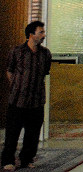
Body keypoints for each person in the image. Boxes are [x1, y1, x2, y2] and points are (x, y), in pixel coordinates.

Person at [1, 21, 52, 170]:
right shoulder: (17, 52)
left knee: (33, 133)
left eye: (43, 32)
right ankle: (7, 161)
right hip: (18, 100)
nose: (43, 35)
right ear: (31, 34)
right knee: (12, 133)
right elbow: (9, 71)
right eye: (40, 32)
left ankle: (26, 159)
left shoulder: (45, 54)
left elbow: (44, 73)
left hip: (37, 100)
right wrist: (18, 86)